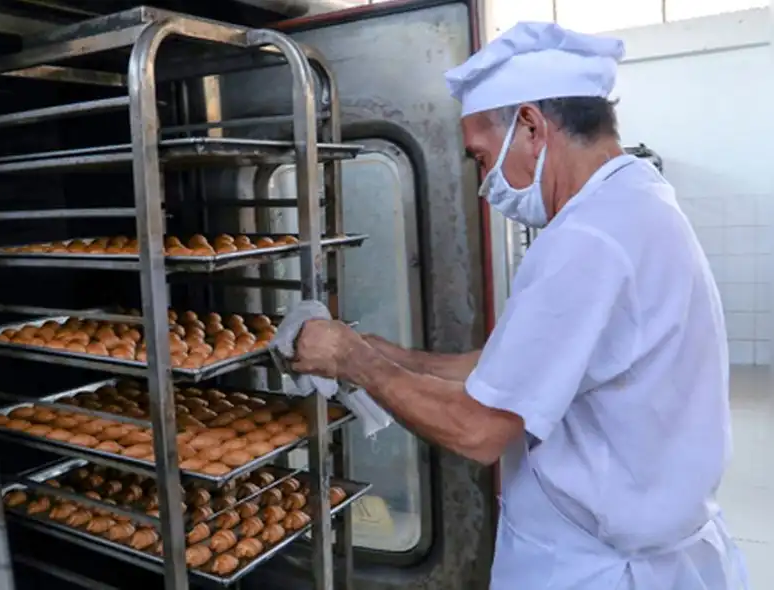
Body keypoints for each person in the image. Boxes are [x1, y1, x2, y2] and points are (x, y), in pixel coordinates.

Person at [290, 21, 749, 590]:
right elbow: (508, 370)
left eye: (482, 158)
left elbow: (478, 428)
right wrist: (380, 352)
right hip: (642, 546)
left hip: (594, 568)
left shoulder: (587, 240)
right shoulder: (635, 205)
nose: (485, 182)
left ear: (531, 126)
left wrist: (352, 361)